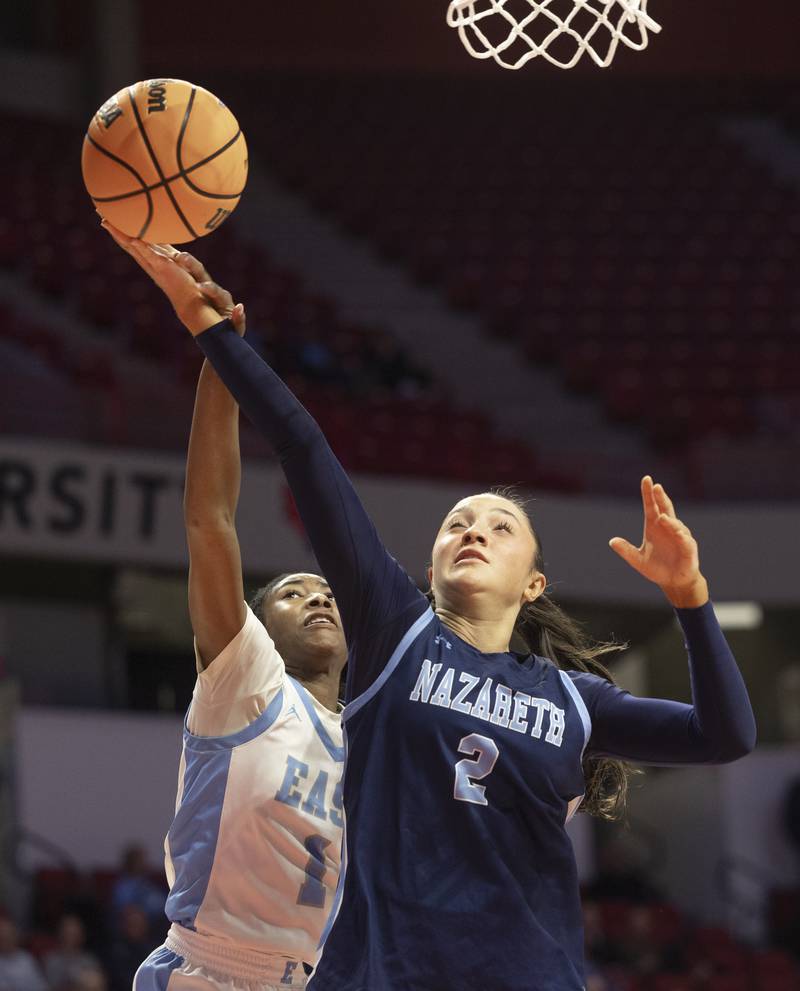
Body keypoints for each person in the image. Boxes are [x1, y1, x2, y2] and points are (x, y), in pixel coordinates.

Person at [104, 223, 757, 991]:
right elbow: (303, 447)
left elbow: (726, 734)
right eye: (457, 523)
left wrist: (690, 600)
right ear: (430, 564)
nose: (474, 528)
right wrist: (210, 331)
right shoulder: (393, 633)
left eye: (500, 525)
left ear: (535, 582)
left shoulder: (574, 701)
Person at [114, 252, 349, 991]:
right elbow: (209, 521)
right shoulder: (247, 682)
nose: (317, 597)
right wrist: (223, 364)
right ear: (258, 624)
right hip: (210, 971)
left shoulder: (373, 737)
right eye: (291, 592)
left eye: (327, 591)